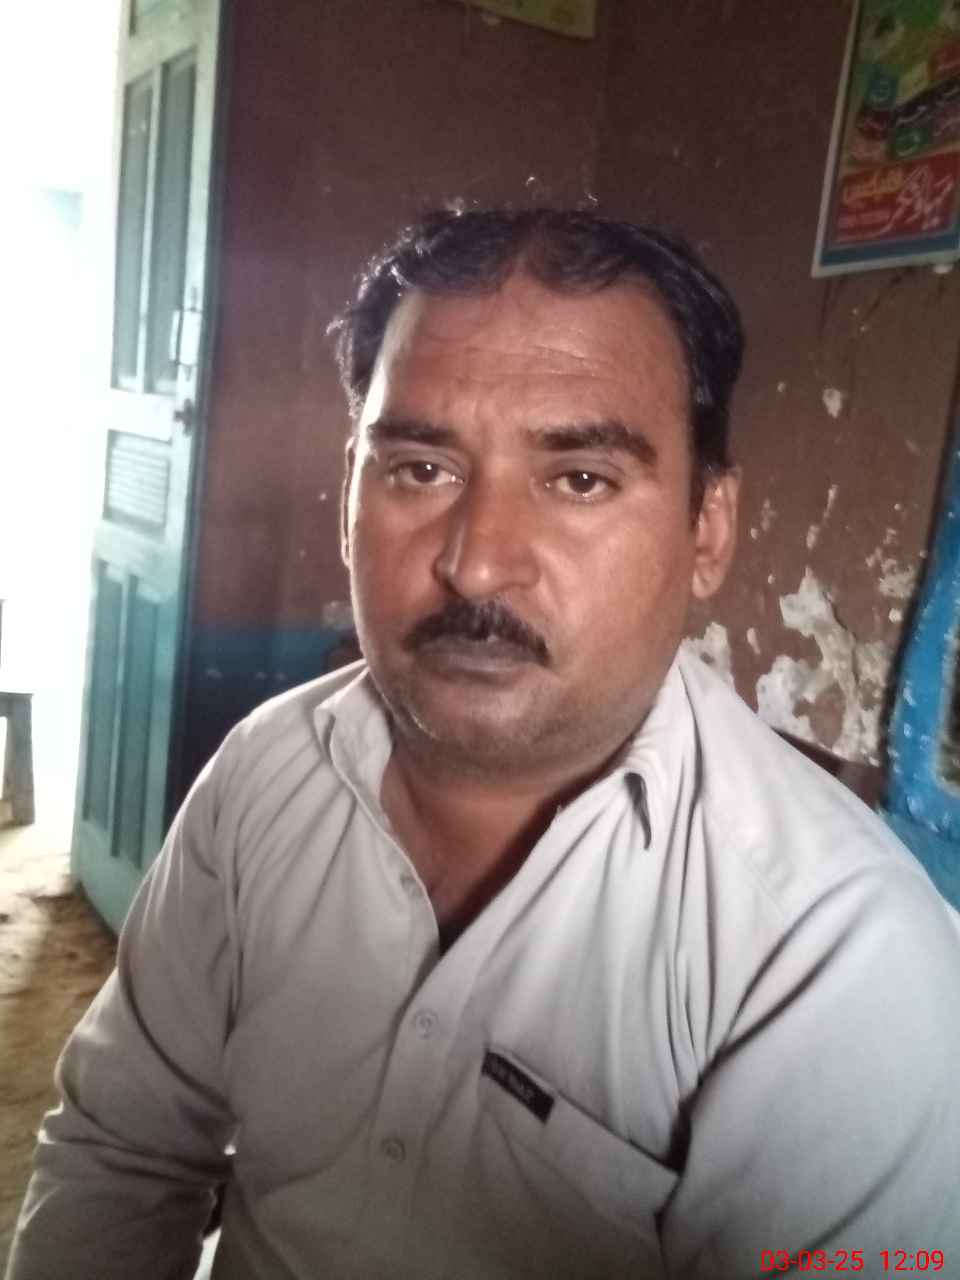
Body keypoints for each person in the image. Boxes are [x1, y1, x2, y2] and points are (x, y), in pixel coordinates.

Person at [7, 208, 960, 1280]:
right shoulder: (263, 772)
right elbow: (123, 1149)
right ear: (350, 488)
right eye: (420, 469)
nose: (476, 561)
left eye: (581, 478)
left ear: (707, 529)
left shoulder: (837, 958)